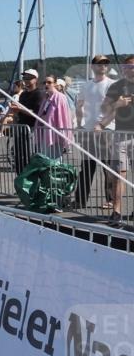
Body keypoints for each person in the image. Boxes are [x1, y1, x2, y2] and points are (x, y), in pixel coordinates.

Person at [96, 56, 134, 228]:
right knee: (119, 175)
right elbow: (104, 108)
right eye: (126, 67)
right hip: (121, 135)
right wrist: (117, 104)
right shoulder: (116, 86)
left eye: (132, 67)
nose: (129, 69)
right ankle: (116, 212)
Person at [75, 56, 114, 209]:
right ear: (93, 66)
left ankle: (110, 199)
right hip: (89, 130)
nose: (103, 66)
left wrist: (103, 124)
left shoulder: (112, 84)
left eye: (105, 63)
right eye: (100, 63)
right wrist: (79, 125)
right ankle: (80, 199)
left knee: (108, 166)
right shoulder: (86, 85)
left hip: (106, 130)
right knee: (86, 166)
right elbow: (79, 105)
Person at [34, 74, 73, 160]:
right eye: (44, 82)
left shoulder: (60, 97)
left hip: (55, 135)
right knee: (46, 160)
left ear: (55, 83)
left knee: (55, 161)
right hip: (45, 133)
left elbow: (64, 117)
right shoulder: (46, 98)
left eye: (49, 82)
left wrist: (63, 134)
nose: (46, 84)